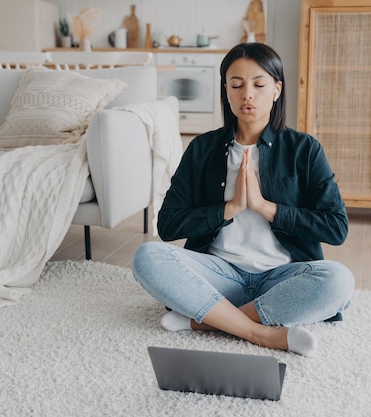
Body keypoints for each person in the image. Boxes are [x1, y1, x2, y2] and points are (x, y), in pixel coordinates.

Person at [132, 43, 354, 356]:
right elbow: (167, 225)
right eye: (236, 85)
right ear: (226, 90)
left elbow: (336, 228)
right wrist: (229, 208)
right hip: (218, 274)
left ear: (276, 90)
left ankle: (204, 320)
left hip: (281, 278)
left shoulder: (304, 149)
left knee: (339, 281)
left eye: (258, 84)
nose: (246, 94)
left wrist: (265, 208)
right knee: (147, 257)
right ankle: (260, 333)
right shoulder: (203, 149)